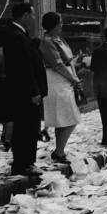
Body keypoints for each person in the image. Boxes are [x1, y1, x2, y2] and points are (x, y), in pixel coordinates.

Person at [2, 3, 47, 176]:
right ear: (25, 15)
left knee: (29, 126)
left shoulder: (20, 34)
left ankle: (26, 162)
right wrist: (34, 91)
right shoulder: (15, 35)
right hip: (25, 93)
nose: (35, 18)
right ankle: (24, 163)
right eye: (33, 14)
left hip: (26, 92)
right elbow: (23, 67)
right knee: (25, 127)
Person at [38, 12, 82, 163]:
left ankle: (59, 151)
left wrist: (73, 75)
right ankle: (59, 151)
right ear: (54, 24)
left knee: (63, 119)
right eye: (60, 22)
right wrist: (73, 78)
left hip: (65, 79)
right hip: (56, 81)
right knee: (70, 118)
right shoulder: (47, 41)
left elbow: (66, 62)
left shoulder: (58, 39)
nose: (62, 25)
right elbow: (57, 64)